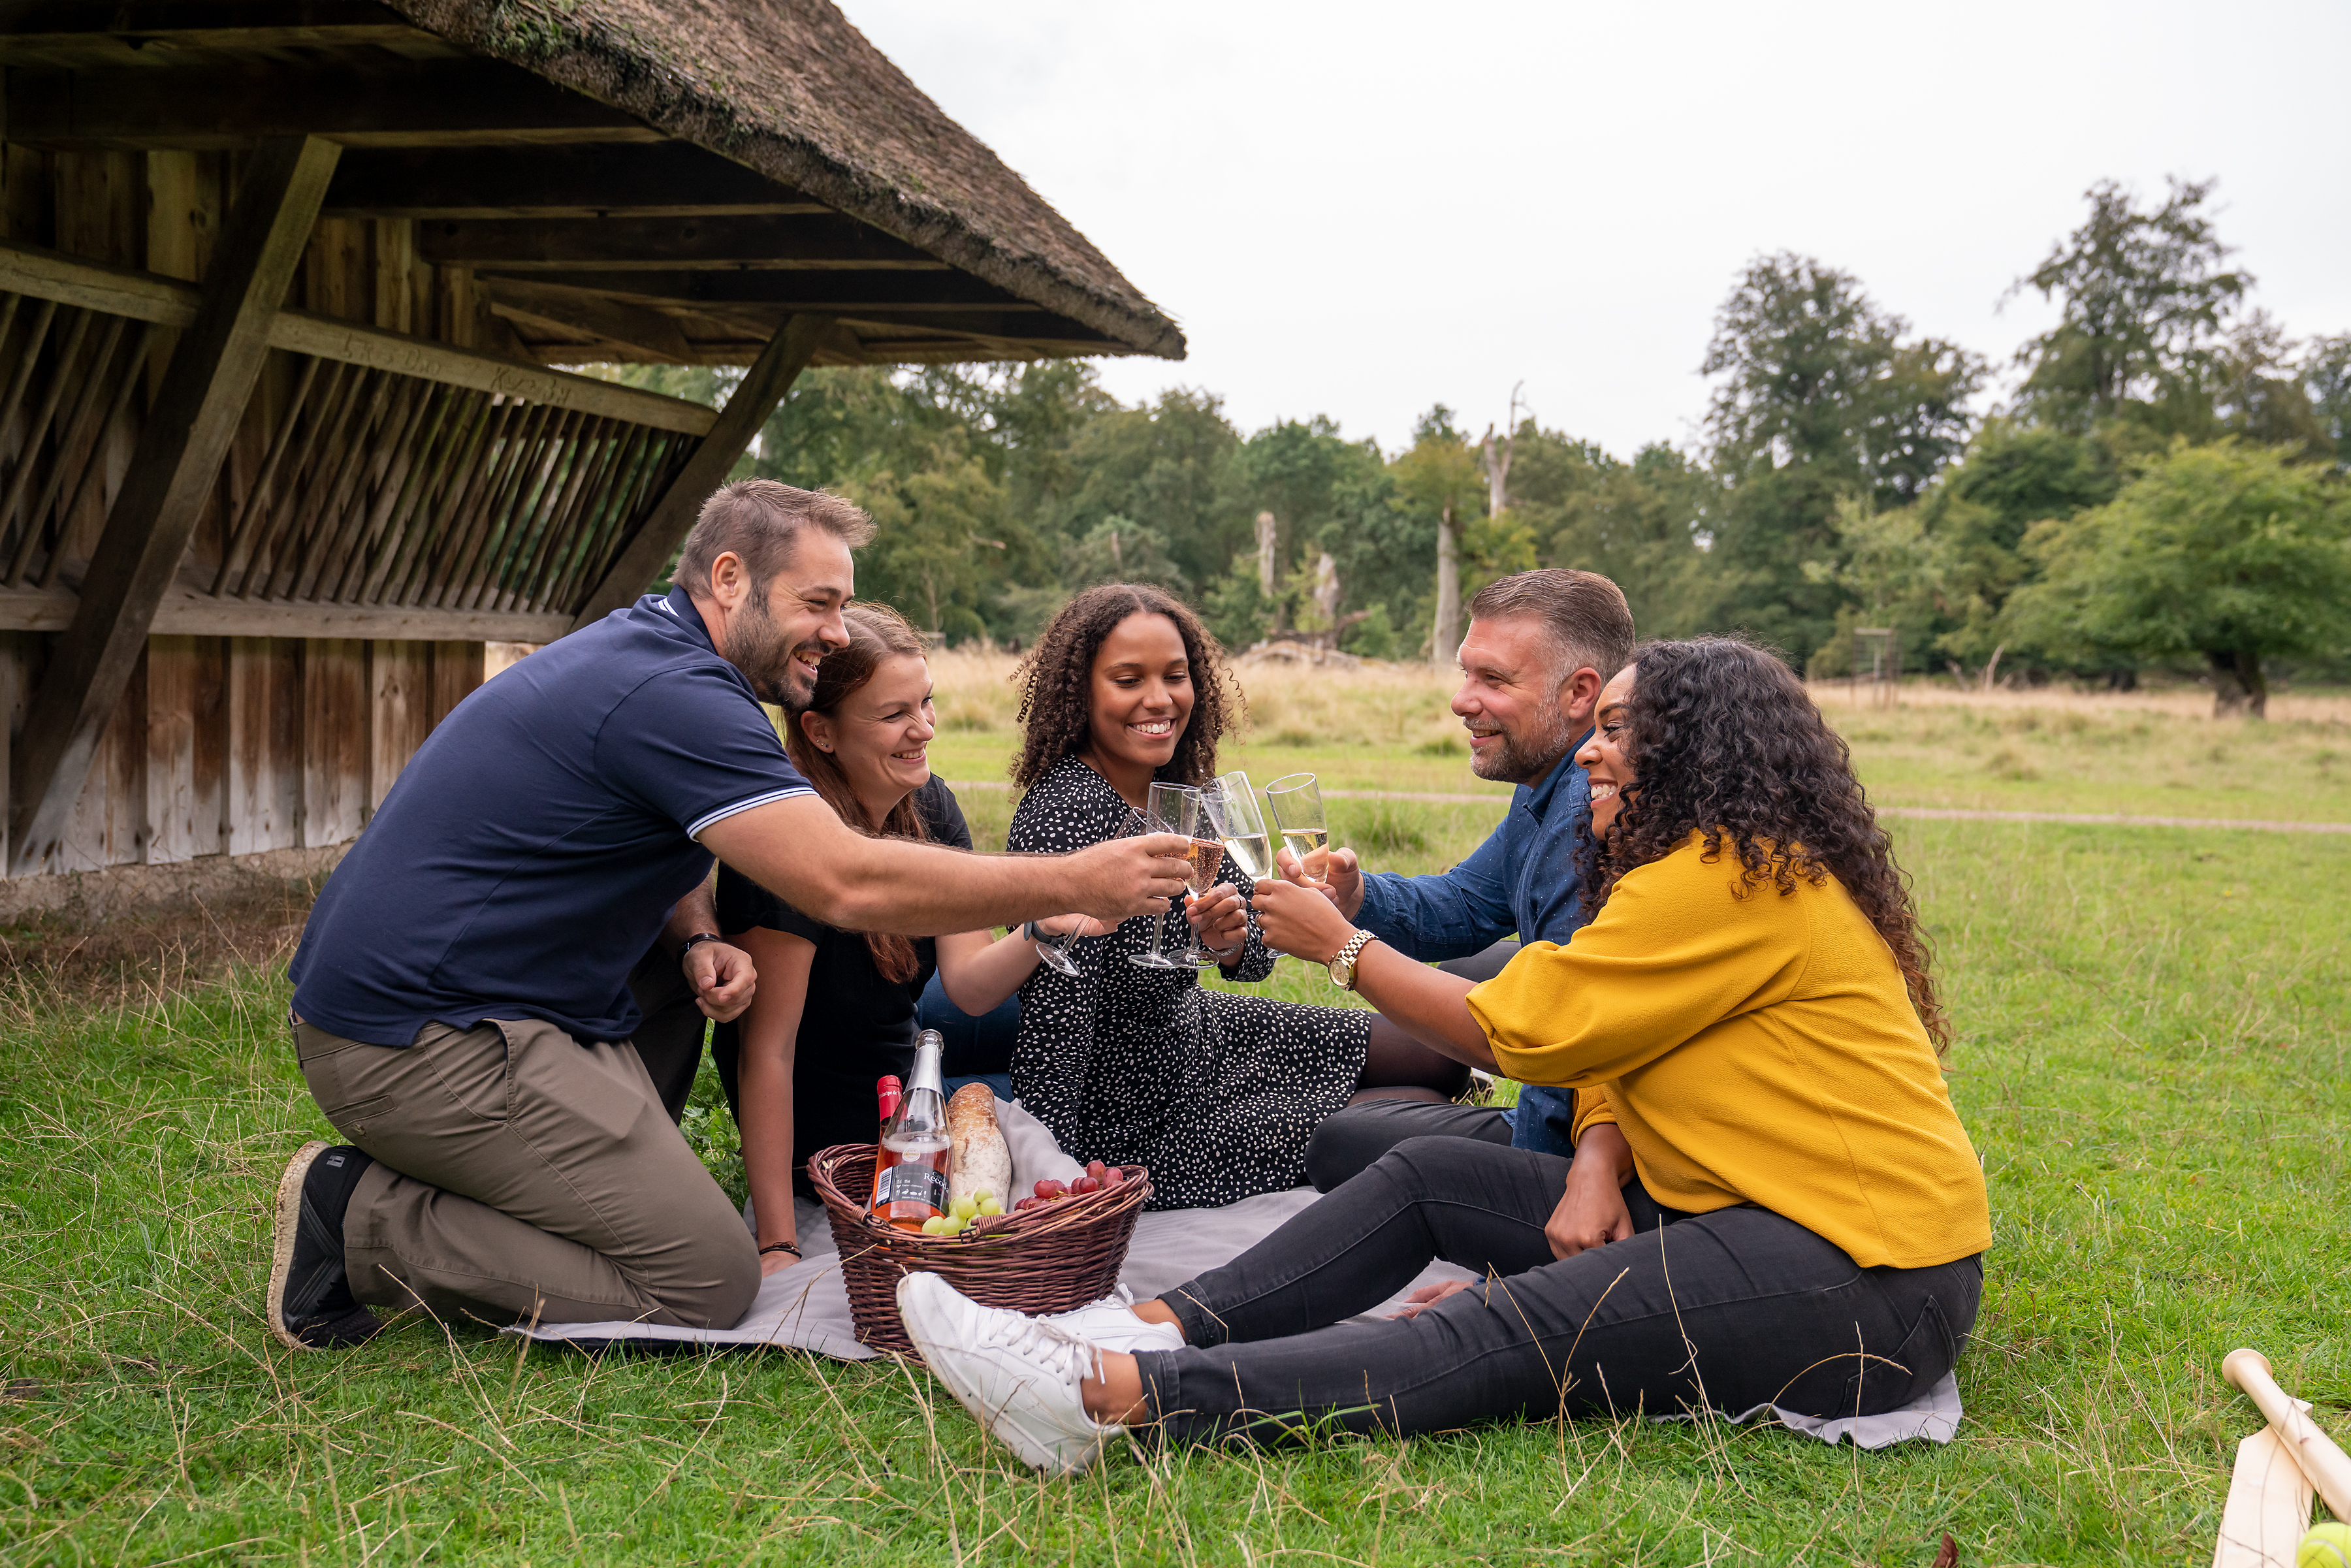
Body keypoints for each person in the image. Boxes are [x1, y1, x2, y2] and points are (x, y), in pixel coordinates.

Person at [896, 636, 1992, 1475]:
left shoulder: (1732, 877)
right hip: (1742, 1210)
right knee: (1424, 1173)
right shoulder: (1700, 871)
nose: (1596, 753)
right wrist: (1601, 1156)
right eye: (1596, 726)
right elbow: (1611, 1039)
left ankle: (1102, 1397)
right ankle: (1120, 1322)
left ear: (1698, 749)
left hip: (1869, 1276)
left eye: (1619, 732)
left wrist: (1344, 947)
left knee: (1495, 1327)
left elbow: (1523, 1029)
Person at [266, 482, 1192, 1351]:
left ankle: (490, 1182)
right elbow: (844, 883)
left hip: (493, 1007)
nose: (837, 633)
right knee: (705, 1279)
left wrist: (700, 933)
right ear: (728, 579)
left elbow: (627, 825)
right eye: (819, 604)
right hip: (416, 1039)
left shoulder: (652, 658)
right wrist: (1072, 879)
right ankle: (357, 1218)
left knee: (651, 1152)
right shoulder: (676, 693)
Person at [1006, 584, 1467, 1210]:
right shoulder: (1069, 811)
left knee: (1442, 1057)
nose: (1160, 699)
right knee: (1417, 1113)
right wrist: (1054, 1175)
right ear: (1081, 691)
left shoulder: (1179, 790)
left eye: (1176, 675)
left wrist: (1227, 943)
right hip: (1136, 1122)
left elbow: (1252, 957)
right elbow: (1053, 1007)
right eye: (1128, 679)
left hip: (1204, 1036)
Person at [710, 603, 1091, 1270]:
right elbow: (764, 1054)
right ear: (820, 732)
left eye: (927, 703)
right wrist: (776, 1240)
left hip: (912, 1072)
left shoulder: (928, 802)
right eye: (894, 716)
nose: (924, 730)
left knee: (1067, 1052)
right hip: (842, 1132)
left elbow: (970, 987)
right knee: (1036, 1105)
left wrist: (1042, 922)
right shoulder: (789, 840)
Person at [1299, 568, 1635, 1188]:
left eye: (1493, 679)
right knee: (1483, 966)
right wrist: (1359, 895)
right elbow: (1466, 904)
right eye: (1465, 672)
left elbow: (1557, 1046)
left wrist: (1339, 945)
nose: (1461, 700)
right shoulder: (1549, 781)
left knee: (1340, 1140)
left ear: (1580, 692)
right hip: (1572, 1081)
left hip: (1592, 1138)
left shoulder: (1581, 813)